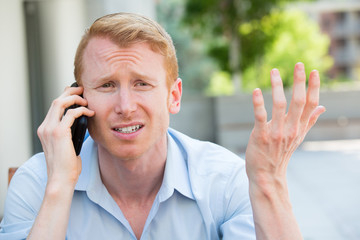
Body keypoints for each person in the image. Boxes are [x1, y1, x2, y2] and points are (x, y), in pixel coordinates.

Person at [0, 12, 325, 240]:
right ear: (77, 100)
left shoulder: (225, 181)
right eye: (107, 85)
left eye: (142, 83)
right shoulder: (38, 182)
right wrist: (58, 187)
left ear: (174, 96)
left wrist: (268, 183)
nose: (126, 107)